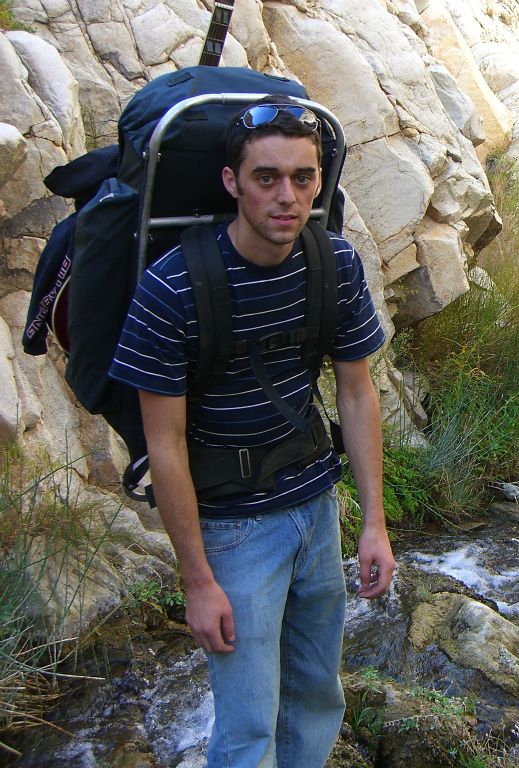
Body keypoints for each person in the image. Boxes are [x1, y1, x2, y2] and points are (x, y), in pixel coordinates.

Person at [109, 95, 396, 767]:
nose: (287, 196)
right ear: (232, 182)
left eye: (303, 176)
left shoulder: (335, 263)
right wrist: (197, 581)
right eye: (266, 177)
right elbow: (166, 446)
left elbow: (357, 395)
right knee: (245, 730)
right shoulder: (173, 286)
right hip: (233, 531)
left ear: (321, 180)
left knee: (319, 697)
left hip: (316, 512)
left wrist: (374, 523)